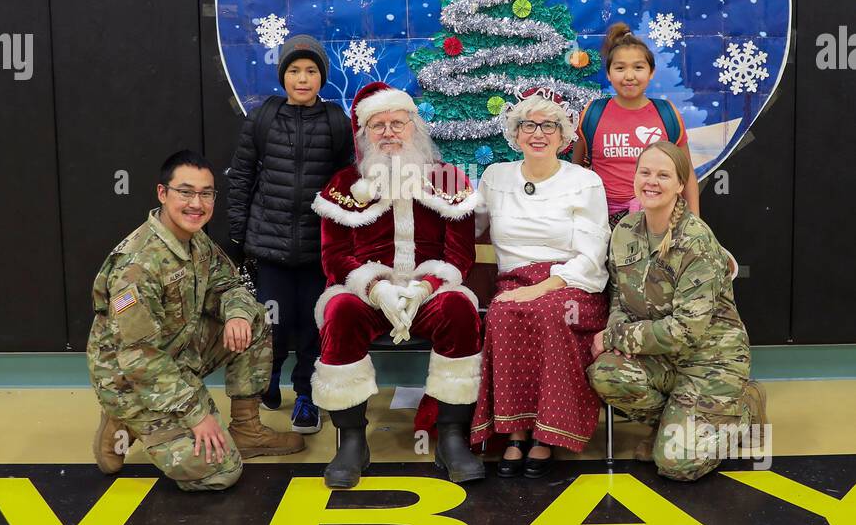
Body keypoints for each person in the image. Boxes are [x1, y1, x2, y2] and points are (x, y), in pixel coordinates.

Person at [87, 151, 302, 492]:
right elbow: (139, 359)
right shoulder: (138, 266)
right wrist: (196, 415)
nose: (196, 203)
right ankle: (124, 419)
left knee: (254, 319)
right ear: (162, 193)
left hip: (177, 354)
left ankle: (246, 431)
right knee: (220, 470)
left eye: (206, 193)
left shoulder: (194, 239)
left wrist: (236, 314)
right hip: (132, 380)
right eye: (185, 192)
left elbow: (230, 285)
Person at [310, 81, 485, 490]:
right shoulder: (342, 185)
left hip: (430, 292)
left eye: (397, 123)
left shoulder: (448, 180)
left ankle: (452, 436)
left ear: (414, 128)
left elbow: (460, 256)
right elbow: (335, 257)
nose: (389, 132)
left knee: (460, 309)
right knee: (339, 311)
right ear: (363, 135)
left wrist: (424, 286)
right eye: (377, 125)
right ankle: (352, 440)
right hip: (368, 292)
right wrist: (376, 288)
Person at [587, 140, 767, 481]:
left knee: (676, 465)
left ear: (680, 185)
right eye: (645, 172)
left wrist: (614, 336)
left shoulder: (695, 240)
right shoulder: (624, 231)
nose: (652, 181)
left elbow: (684, 332)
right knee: (607, 373)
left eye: (663, 175)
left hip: (710, 360)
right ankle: (673, 420)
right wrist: (616, 330)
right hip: (658, 356)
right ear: (635, 177)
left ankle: (742, 409)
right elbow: (618, 298)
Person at [470, 88, 611, 477]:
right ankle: (515, 432)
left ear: (563, 137)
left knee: (547, 312)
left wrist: (543, 286)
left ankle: (548, 434)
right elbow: (471, 228)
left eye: (549, 125)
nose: (538, 133)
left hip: (572, 287)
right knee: (501, 313)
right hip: (514, 281)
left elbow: (591, 254)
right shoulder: (494, 177)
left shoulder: (584, 182)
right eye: (528, 125)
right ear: (515, 134)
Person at [226, 34, 354, 435]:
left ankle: (306, 396)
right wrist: (239, 234)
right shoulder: (263, 117)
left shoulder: (336, 121)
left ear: (322, 78)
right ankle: (269, 376)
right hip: (270, 248)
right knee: (272, 326)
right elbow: (242, 176)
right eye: (295, 70)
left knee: (315, 327)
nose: (303, 78)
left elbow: (349, 183)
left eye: (311, 71)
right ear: (283, 76)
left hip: (320, 251)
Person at [571, 22, 700, 229]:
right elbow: (574, 172)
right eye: (620, 68)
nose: (629, 76)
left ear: (651, 72)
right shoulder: (592, 113)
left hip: (658, 218)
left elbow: (688, 175)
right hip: (601, 220)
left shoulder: (667, 114)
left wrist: (695, 224)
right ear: (608, 74)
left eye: (638, 67)